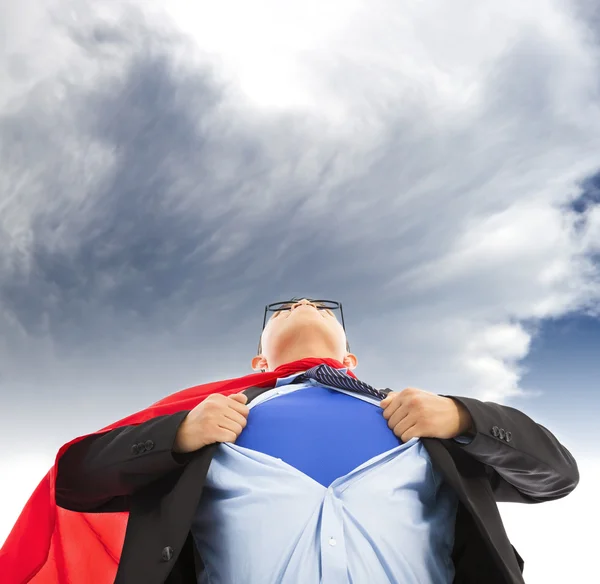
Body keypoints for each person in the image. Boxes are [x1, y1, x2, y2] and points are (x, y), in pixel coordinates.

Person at [2, 298, 579, 584]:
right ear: (258, 360)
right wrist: (176, 434)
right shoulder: (207, 418)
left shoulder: (426, 419)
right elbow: (75, 480)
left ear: (351, 359)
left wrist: (462, 417)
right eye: (282, 308)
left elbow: (556, 476)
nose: (304, 304)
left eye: (324, 306)